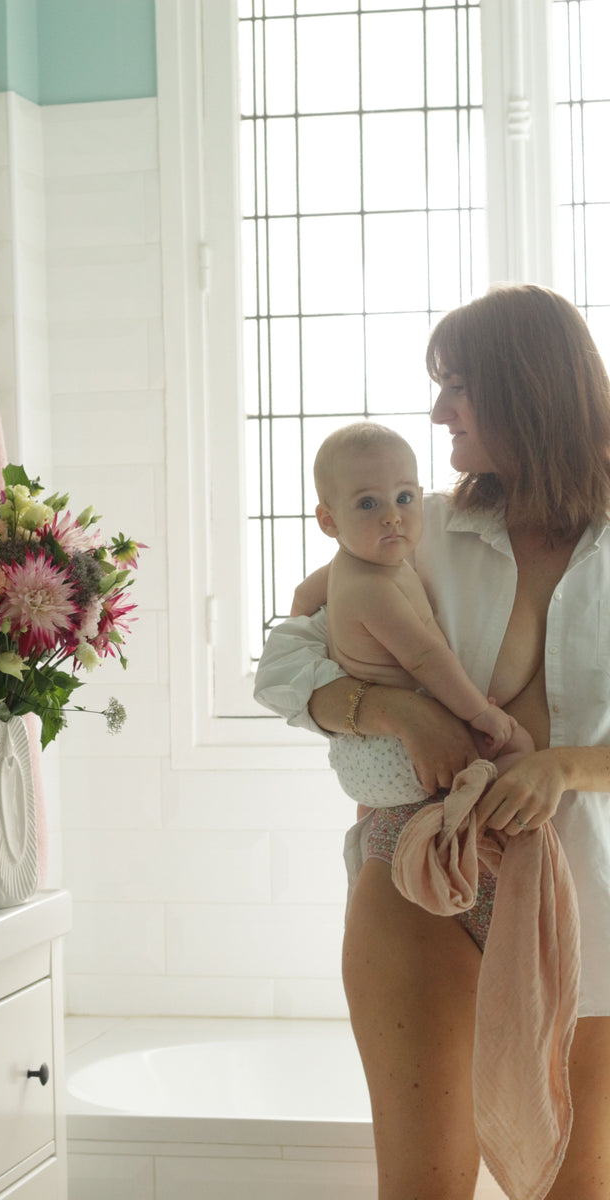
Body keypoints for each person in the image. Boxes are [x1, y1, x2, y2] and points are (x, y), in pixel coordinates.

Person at [254, 284, 610, 1199]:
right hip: (422, 880)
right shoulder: (423, 529)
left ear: (527, 388)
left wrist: (564, 767)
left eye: (458, 386)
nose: (438, 410)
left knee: (578, 1186)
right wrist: (389, 711)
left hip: (590, 902)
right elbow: (289, 653)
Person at [313, 420, 532, 769]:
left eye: (403, 498)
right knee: (516, 746)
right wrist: (480, 711)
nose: (392, 517)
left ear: (419, 492)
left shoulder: (350, 565)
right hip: (394, 748)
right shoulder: (372, 589)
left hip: (371, 745)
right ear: (328, 521)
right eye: (368, 504)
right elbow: (424, 658)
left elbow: (300, 598)